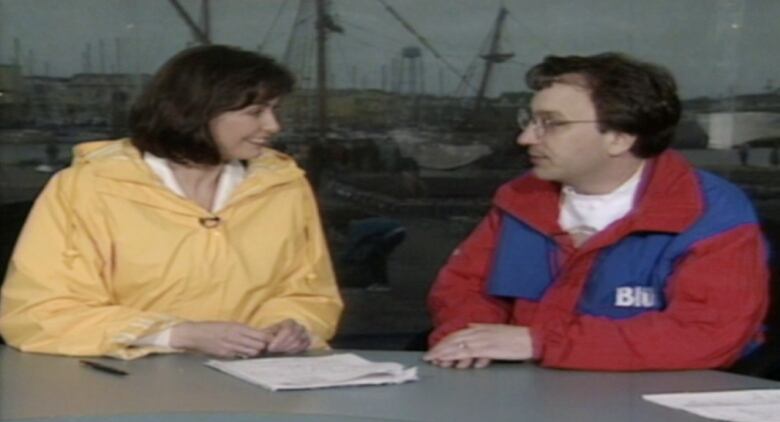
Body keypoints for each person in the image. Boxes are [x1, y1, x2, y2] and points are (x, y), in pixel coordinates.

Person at [424, 53, 769, 371]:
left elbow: (706, 335)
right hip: (527, 394)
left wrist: (539, 342)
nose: (526, 138)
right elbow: (463, 288)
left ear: (619, 138)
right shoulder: (520, 199)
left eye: (552, 123)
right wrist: (470, 338)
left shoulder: (711, 213)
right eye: (529, 120)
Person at [0, 45, 343, 360]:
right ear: (196, 112)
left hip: (256, 385)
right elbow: (37, 312)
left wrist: (289, 326)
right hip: (126, 386)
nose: (273, 126)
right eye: (256, 112)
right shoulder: (87, 188)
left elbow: (310, 292)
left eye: (275, 110)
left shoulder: (285, 187)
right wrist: (177, 334)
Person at [339, 217, 406, 292]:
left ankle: (381, 284)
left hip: (392, 232)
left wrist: (344, 260)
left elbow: (353, 245)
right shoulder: (359, 224)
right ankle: (380, 282)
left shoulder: (355, 229)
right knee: (377, 256)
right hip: (398, 230)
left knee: (375, 258)